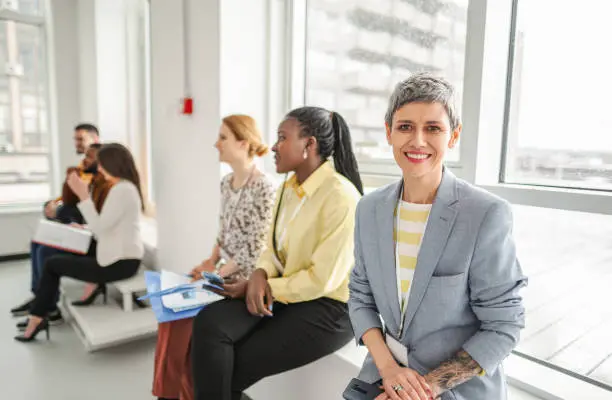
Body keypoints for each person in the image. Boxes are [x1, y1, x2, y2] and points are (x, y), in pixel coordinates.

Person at [348, 73, 527, 400]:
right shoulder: (368, 209)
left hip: (455, 389)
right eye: (405, 127)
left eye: (433, 128)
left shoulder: (485, 214)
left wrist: (421, 390)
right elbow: (360, 296)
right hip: (385, 376)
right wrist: (389, 370)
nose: (417, 141)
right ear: (389, 132)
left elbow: (504, 326)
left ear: (453, 136)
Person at [191, 106, 364, 400]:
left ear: (309, 145)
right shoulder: (288, 187)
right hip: (288, 291)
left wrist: (265, 284)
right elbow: (271, 247)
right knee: (209, 323)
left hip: (329, 308)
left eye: (282, 137)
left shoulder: (341, 196)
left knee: (226, 369)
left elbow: (321, 280)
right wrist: (260, 273)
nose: (273, 146)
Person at [152, 115, 276, 400]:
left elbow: (255, 248)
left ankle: (180, 393)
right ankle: (170, 392)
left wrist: (215, 275)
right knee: (168, 314)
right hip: (221, 270)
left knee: (182, 320)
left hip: (243, 278)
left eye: (223, 138)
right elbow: (223, 231)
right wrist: (209, 261)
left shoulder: (265, 187)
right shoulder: (226, 183)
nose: (216, 144)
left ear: (243, 143)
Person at [14, 143, 145, 343]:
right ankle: (41, 309)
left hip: (120, 263)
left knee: (52, 265)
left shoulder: (122, 190)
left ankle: (37, 318)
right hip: (117, 253)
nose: (98, 169)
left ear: (112, 164)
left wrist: (83, 195)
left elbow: (102, 227)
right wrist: (83, 228)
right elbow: (108, 226)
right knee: (50, 252)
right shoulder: (123, 188)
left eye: (101, 164)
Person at [10, 143, 109, 323]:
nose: (84, 160)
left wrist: (73, 219)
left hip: (94, 241)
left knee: (46, 252)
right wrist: (53, 206)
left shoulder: (106, 187)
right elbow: (68, 203)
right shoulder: (87, 179)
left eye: (88, 157)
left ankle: (48, 307)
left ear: (100, 161)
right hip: (81, 232)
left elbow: (97, 219)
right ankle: (40, 297)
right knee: (37, 242)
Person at [44, 123, 101, 221]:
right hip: (79, 205)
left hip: (90, 207)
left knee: (65, 211)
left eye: (80, 139)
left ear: (95, 139)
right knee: (49, 206)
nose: (76, 143)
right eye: (75, 139)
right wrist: (55, 202)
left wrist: (57, 209)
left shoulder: (101, 165)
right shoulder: (83, 165)